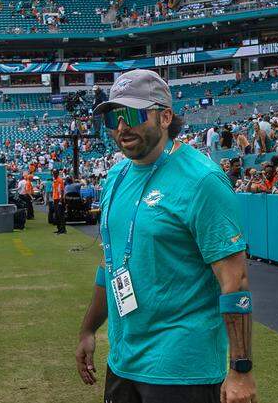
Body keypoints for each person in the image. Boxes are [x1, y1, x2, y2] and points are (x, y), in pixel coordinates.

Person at [75, 69, 256, 403]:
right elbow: (111, 263)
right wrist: (89, 329)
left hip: (183, 368)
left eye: (131, 114)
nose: (121, 127)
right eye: (114, 117)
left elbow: (236, 281)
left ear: (165, 116)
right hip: (124, 361)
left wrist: (240, 371)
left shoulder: (202, 181)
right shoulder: (115, 176)